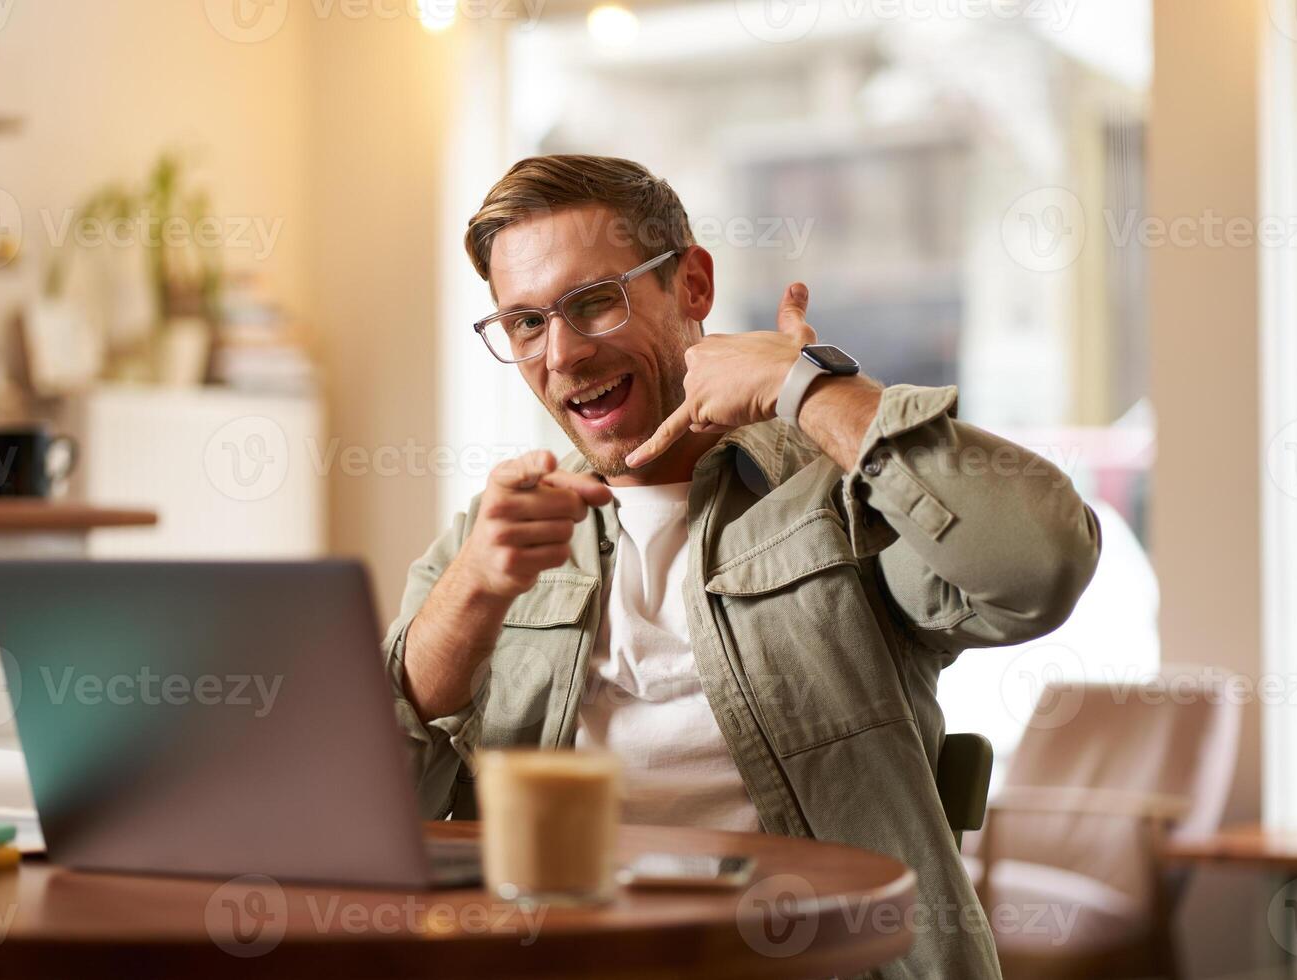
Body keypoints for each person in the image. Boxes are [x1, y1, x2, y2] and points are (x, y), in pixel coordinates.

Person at [383, 154, 1100, 978]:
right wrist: (471, 591)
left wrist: (811, 391)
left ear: (692, 286)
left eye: (594, 303)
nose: (565, 353)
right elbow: (357, 826)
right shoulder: (490, 542)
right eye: (527, 324)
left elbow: (1041, 565)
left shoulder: (841, 498)